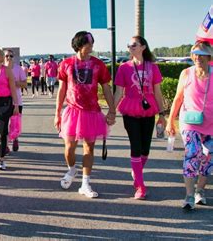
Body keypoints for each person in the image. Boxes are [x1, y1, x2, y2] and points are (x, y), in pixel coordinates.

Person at [55, 31, 116, 198]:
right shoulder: (66, 64)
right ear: (79, 44)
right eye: (88, 42)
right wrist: (57, 113)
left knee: (89, 148)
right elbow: (61, 90)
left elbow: (106, 88)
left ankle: (85, 183)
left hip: (92, 112)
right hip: (72, 111)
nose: (91, 46)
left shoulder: (98, 65)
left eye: (92, 42)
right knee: (69, 149)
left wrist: (112, 110)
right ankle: (72, 170)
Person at [113, 36, 166, 200]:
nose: (130, 47)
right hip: (130, 109)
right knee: (135, 146)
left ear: (143, 47)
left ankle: (136, 172)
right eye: (128, 45)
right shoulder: (124, 68)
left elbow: (158, 92)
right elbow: (118, 92)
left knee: (145, 149)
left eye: (134, 45)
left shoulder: (153, 67)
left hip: (148, 109)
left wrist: (162, 115)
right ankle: (140, 186)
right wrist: (111, 111)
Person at [166, 41, 213, 210]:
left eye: (201, 54)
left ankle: (200, 190)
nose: (197, 57)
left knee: (208, 159)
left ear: (209, 56)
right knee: (193, 153)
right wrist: (171, 120)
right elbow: (178, 99)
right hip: (189, 122)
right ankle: (189, 195)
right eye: (195, 53)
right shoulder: (186, 73)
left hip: (211, 124)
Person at [5, 49, 27, 152]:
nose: (8, 58)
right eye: (6, 56)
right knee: (4, 124)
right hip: (4, 100)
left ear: (14, 58)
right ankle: (5, 145)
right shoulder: (1, 69)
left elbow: (25, 84)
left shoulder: (18, 69)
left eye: (11, 56)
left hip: (17, 101)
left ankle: (15, 139)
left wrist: (14, 82)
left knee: (15, 123)